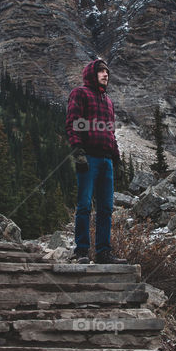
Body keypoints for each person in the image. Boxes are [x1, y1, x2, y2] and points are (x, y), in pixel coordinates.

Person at [65, 58, 126, 264]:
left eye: (107, 72)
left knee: (106, 209)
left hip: (106, 160)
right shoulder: (80, 93)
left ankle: (103, 252)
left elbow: (110, 132)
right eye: (101, 71)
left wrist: (116, 158)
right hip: (88, 158)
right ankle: (81, 251)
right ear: (92, 74)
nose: (105, 74)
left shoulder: (108, 101)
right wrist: (78, 151)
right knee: (84, 205)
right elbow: (73, 123)